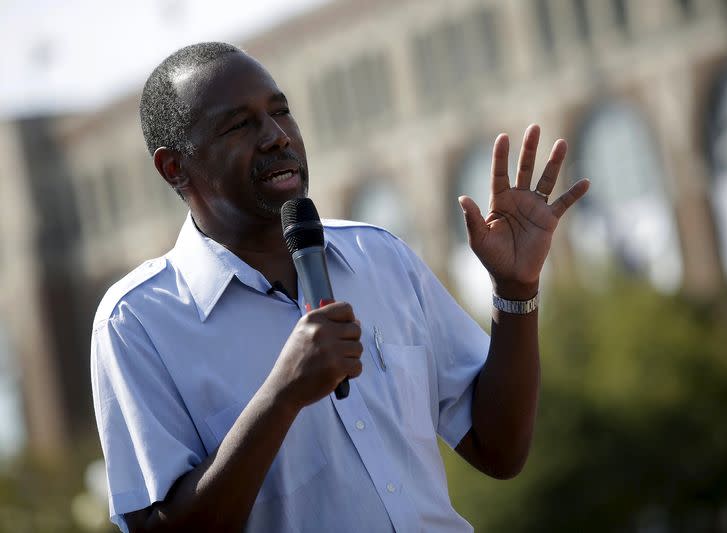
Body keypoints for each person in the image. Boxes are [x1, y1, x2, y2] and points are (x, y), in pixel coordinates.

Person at [90, 42, 590, 533]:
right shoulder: (137, 323)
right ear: (174, 167)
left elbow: (498, 449)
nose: (276, 137)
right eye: (240, 125)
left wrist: (516, 288)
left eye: (281, 112)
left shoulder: (381, 257)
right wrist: (281, 397)